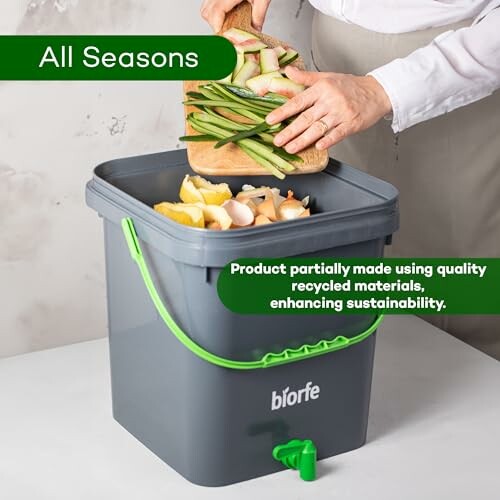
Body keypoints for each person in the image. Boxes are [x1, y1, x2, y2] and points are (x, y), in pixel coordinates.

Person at [201, 0, 500, 359]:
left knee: (459, 298)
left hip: (452, 73)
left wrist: (380, 90)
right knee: (351, 264)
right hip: (331, 63)